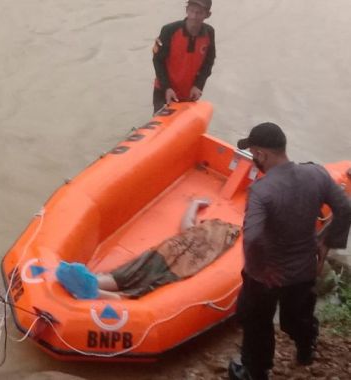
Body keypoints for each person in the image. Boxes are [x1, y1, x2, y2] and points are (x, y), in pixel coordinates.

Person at [228, 123, 351, 380]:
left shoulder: (262, 191)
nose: (254, 160)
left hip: (265, 277)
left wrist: (263, 269)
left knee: (255, 321)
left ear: (262, 154)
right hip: (303, 269)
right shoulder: (316, 174)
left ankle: (255, 370)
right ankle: (307, 347)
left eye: (253, 154)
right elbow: (345, 208)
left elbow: (251, 238)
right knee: (297, 319)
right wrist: (326, 243)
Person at [57, 199, 240, 300]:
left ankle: (95, 283)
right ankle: (96, 292)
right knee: (142, 288)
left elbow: (186, 221)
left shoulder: (193, 231)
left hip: (162, 253)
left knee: (127, 275)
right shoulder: (216, 248)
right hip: (176, 268)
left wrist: (194, 204)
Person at [152, 0, 216, 113]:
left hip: (189, 94)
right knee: (165, 127)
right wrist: (167, 88)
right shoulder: (169, 30)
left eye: (199, 12)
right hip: (164, 91)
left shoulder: (209, 33)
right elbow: (158, 61)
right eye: (191, 11)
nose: (194, 17)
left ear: (207, 15)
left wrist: (198, 85)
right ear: (186, 10)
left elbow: (208, 62)